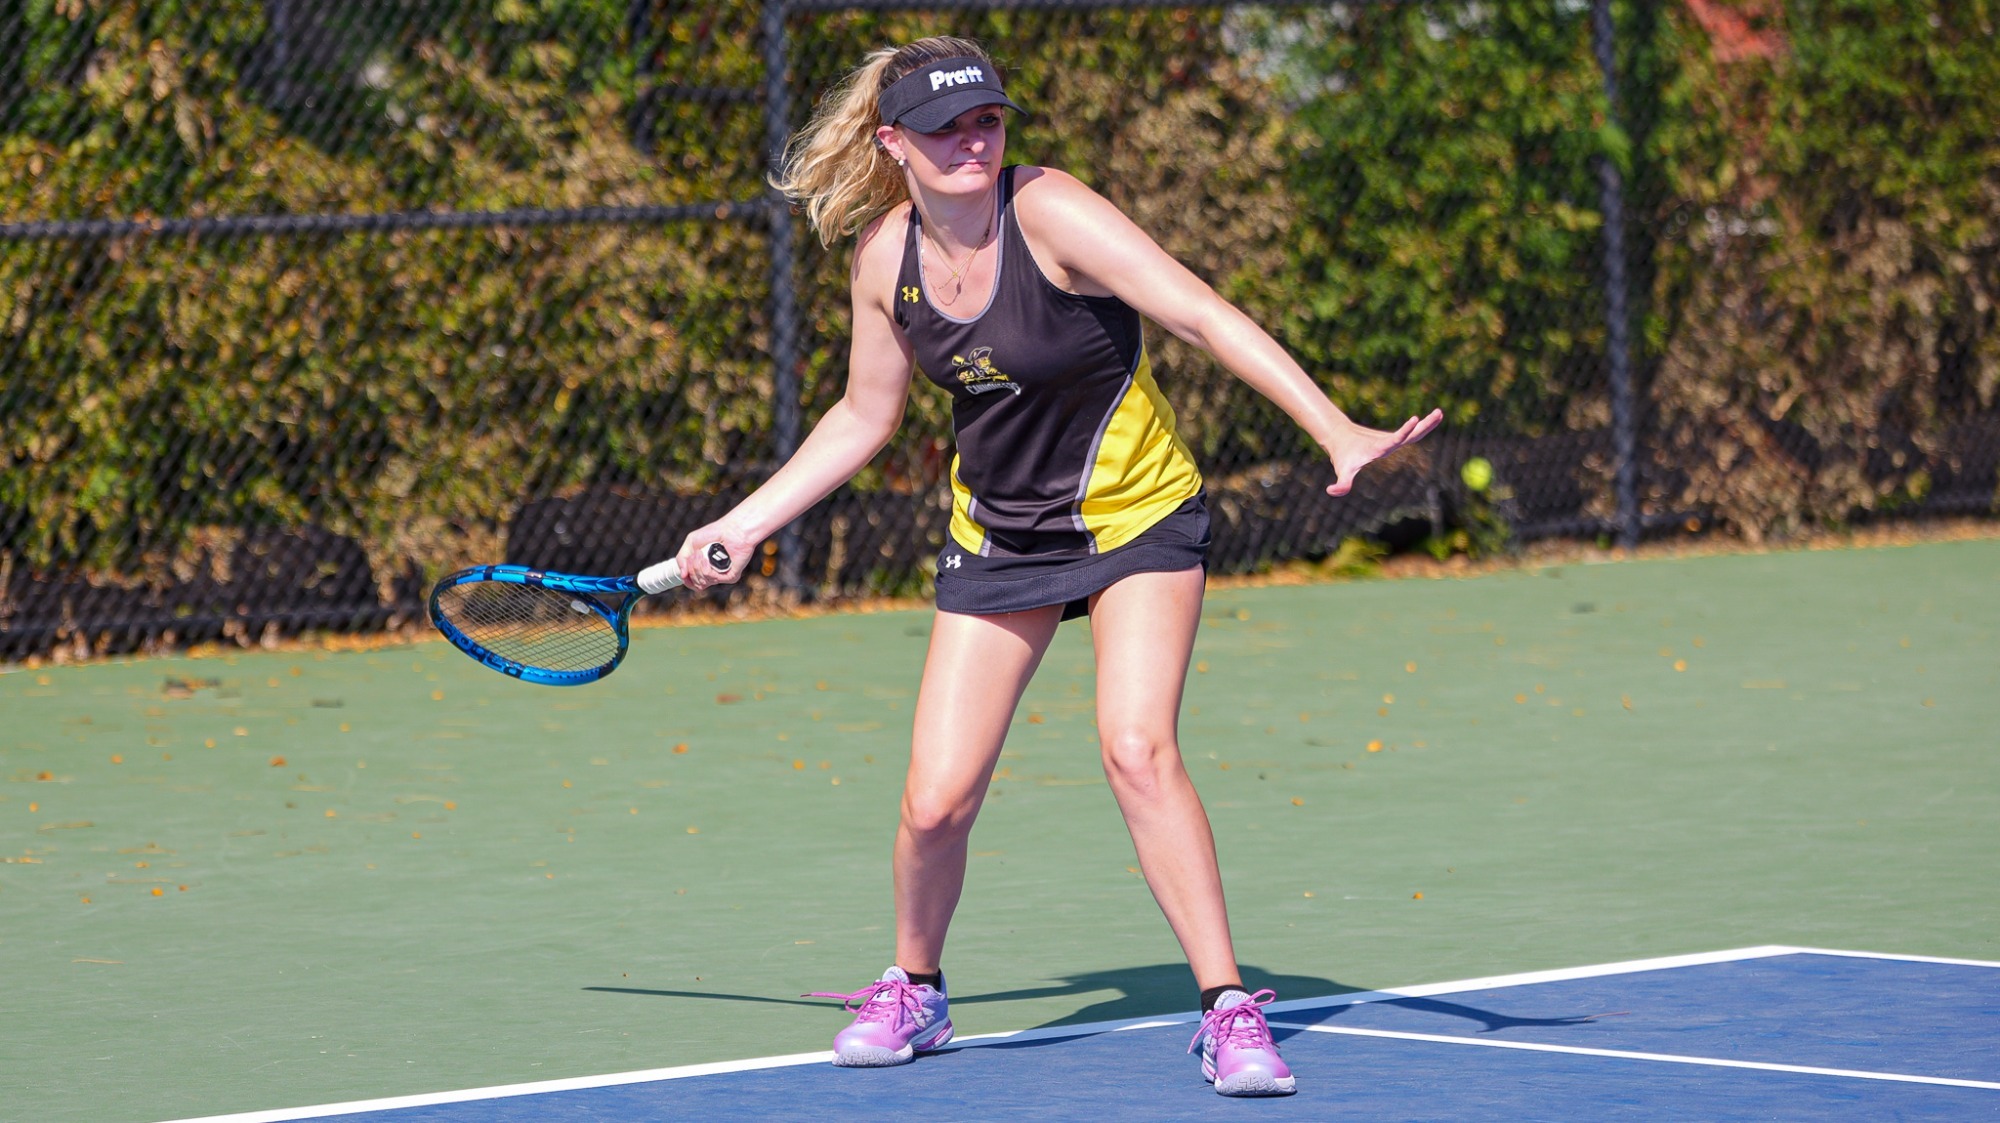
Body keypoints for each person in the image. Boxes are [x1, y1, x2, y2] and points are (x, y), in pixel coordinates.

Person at [674, 36, 1441, 1098]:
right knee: (935, 802)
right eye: (945, 128)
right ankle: (915, 987)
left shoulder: (1051, 212)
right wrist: (745, 521)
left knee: (1136, 748)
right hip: (1000, 535)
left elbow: (1198, 312)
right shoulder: (884, 261)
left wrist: (1333, 427)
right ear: (893, 143)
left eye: (986, 120)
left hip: (1137, 517)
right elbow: (862, 415)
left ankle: (1227, 1007)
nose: (972, 142)